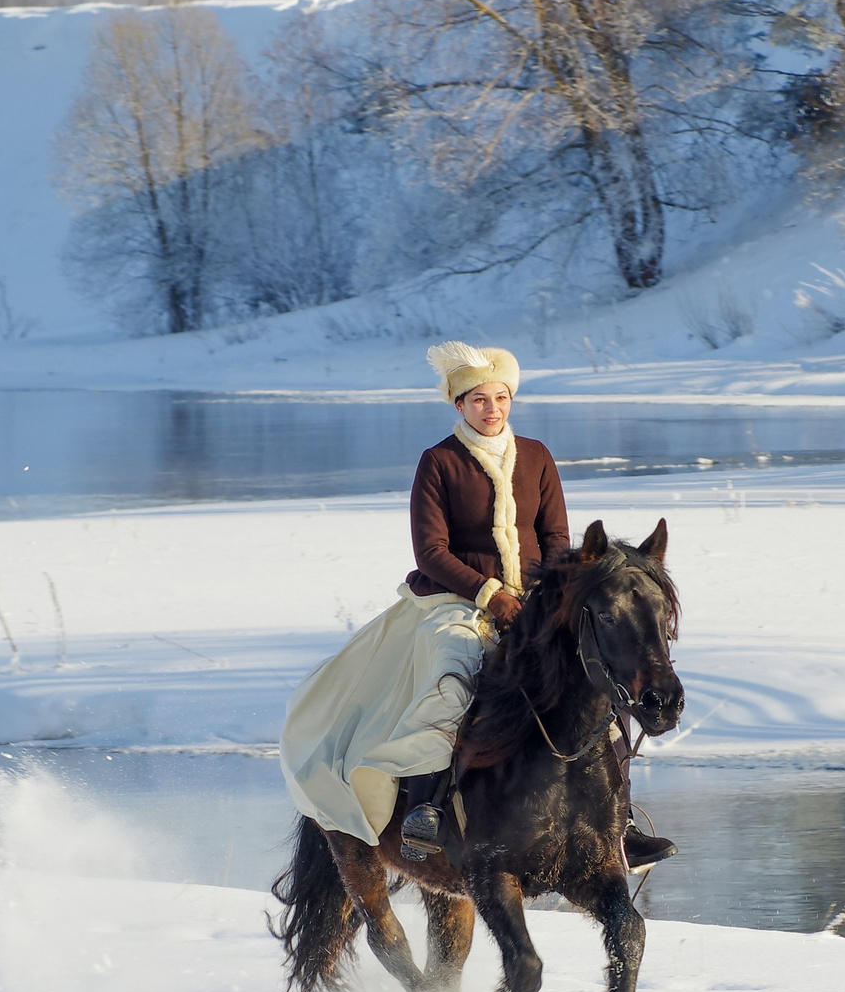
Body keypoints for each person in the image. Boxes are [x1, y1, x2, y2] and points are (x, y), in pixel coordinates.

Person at [278, 341, 675, 869]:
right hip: (453, 603)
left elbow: (556, 538)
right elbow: (431, 552)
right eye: (479, 400)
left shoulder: (536, 456)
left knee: (597, 682)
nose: (493, 409)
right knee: (452, 679)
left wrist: (545, 599)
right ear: (459, 405)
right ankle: (427, 810)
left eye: (501, 398)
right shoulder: (438, 462)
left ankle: (618, 824)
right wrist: (491, 596)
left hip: (535, 602)